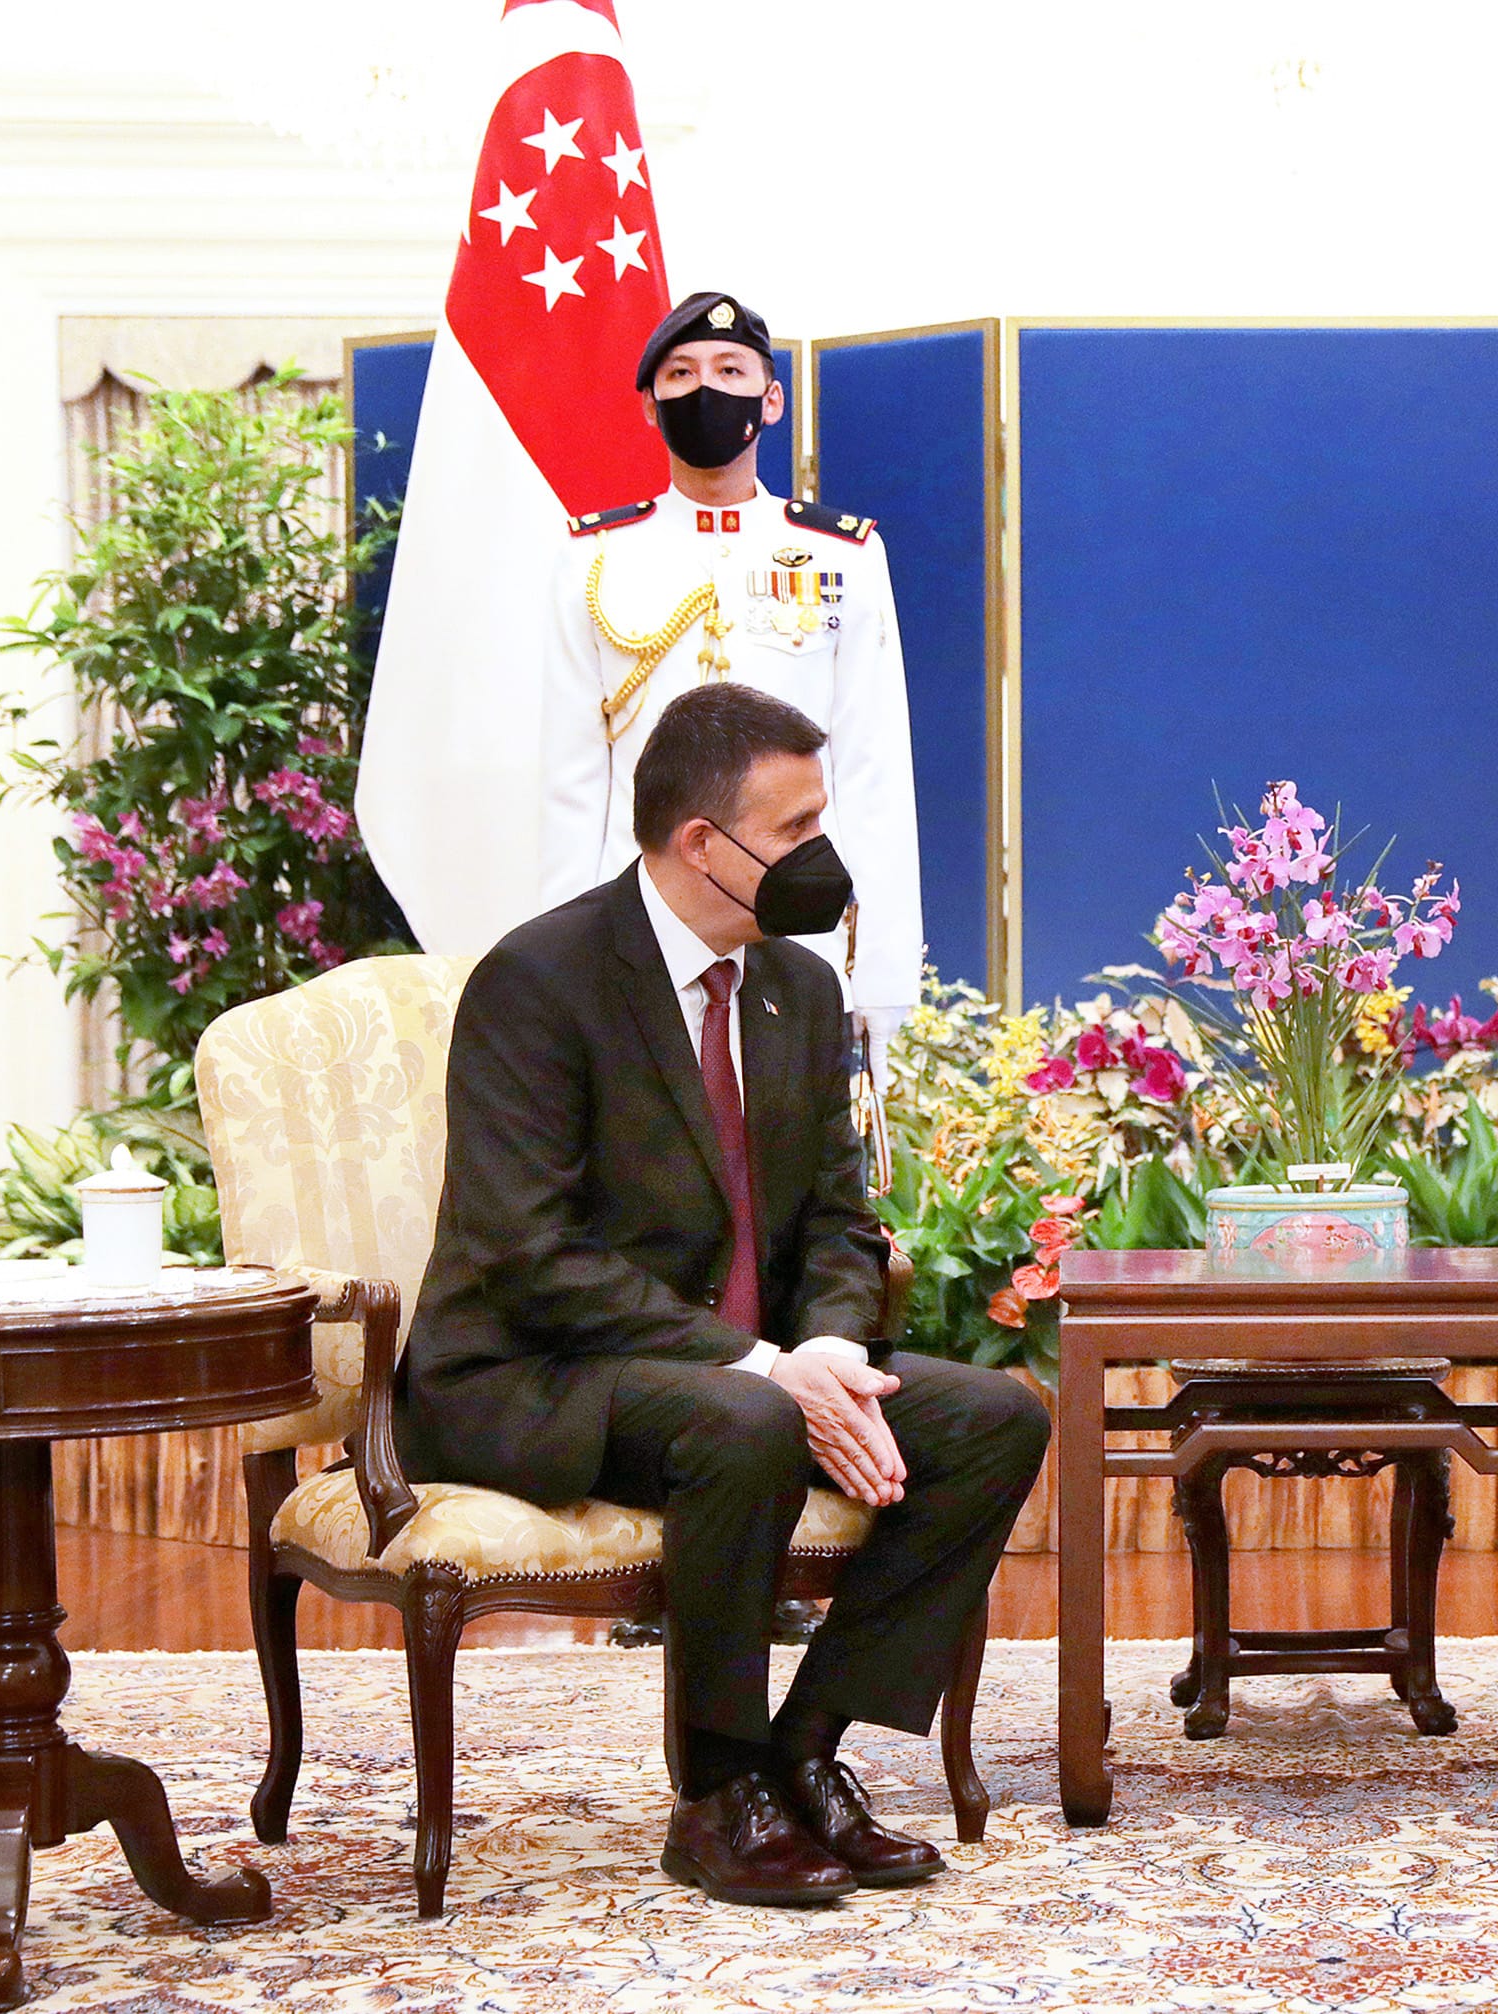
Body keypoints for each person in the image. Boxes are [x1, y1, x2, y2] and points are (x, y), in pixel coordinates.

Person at [397, 682, 1048, 1908]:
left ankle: (807, 1750)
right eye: (795, 828)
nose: (824, 855)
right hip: (535, 1375)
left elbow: (845, 1223)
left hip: (743, 1373)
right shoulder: (539, 982)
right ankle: (717, 1793)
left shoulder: (795, 988)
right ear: (704, 844)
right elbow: (529, 1253)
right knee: (743, 1418)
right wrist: (767, 1371)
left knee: (993, 1417)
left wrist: (834, 1357)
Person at [542, 290, 922, 1085]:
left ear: (771, 397)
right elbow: (572, 778)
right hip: (641, 915)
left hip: (799, 919)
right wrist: (567, 953)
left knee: (794, 1163)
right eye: (678, 373)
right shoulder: (596, 556)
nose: (703, 388)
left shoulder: (843, 556)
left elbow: (872, 768)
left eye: (728, 368)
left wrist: (879, 976)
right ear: (649, 406)